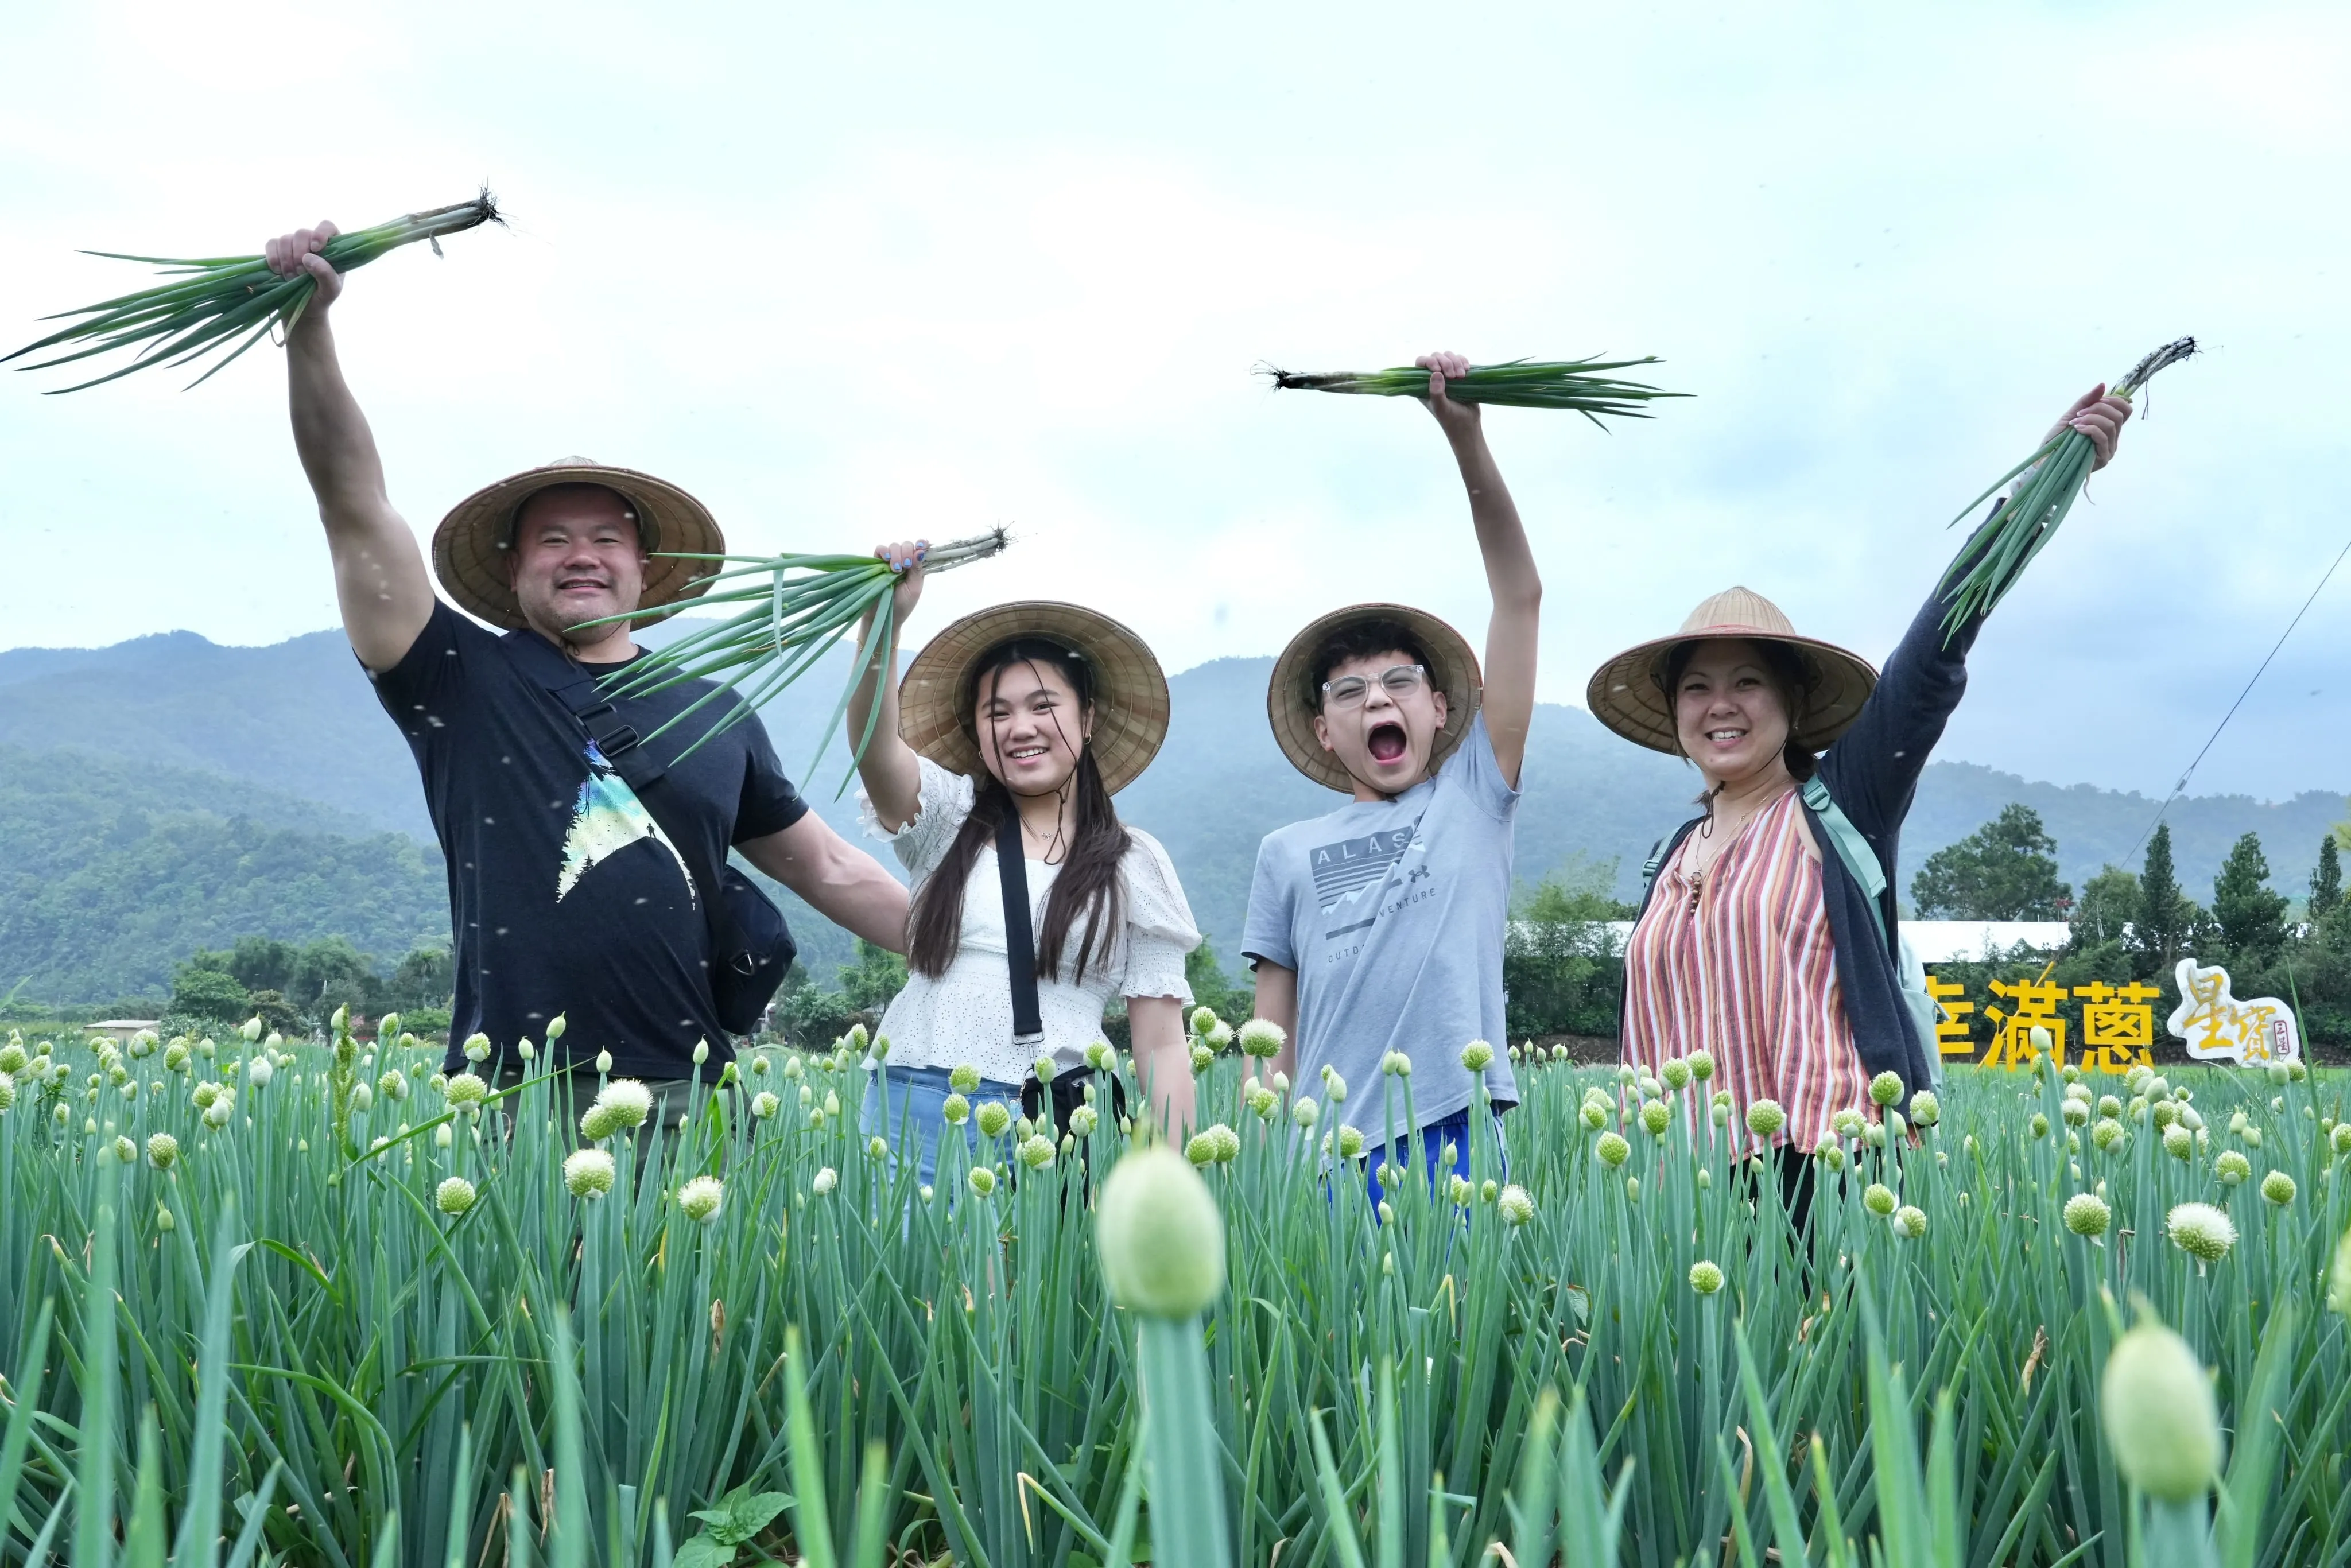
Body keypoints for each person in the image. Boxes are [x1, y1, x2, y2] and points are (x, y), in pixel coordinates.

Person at [261, 219, 911, 1108]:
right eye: (553, 539)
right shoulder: (455, 677)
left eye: (608, 539)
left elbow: (829, 869)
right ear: (513, 568)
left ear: (644, 570)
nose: (582, 556)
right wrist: (310, 327)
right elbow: (352, 502)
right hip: (508, 1099)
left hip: (688, 1103)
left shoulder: (712, 712)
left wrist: (995, 953)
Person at [1589, 386, 2133, 1216]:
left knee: (1829, 1348)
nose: (1720, 705)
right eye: (1697, 687)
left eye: (1747, 684)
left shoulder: (1841, 804)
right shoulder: (1675, 855)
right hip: (1683, 1183)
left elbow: (1931, 660)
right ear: (1675, 714)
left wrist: (2038, 490)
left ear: (1793, 705)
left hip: (1829, 1168)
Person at [1242, 351, 1530, 1197]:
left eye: (1401, 682)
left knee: (1462, 1333)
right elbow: (1271, 1037)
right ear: (1326, 733)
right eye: (1352, 691)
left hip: (1456, 1134)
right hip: (1323, 1160)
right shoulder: (1286, 852)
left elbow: (1520, 599)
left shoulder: (1475, 801)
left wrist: (1466, 441)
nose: (1380, 700)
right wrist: (1264, 1174)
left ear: (1443, 709)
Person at [845, 543, 1202, 1186]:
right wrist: (883, 623)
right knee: (906, 1285)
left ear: (1086, 717)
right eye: (997, 711)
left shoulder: (1134, 861)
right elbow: (874, 745)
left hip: (1049, 1115)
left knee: (1023, 1287)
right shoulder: (948, 816)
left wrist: (1174, 1171)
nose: (1020, 726)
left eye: (1043, 706)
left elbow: (1161, 1041)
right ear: (979, 733)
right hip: (910, 1101)